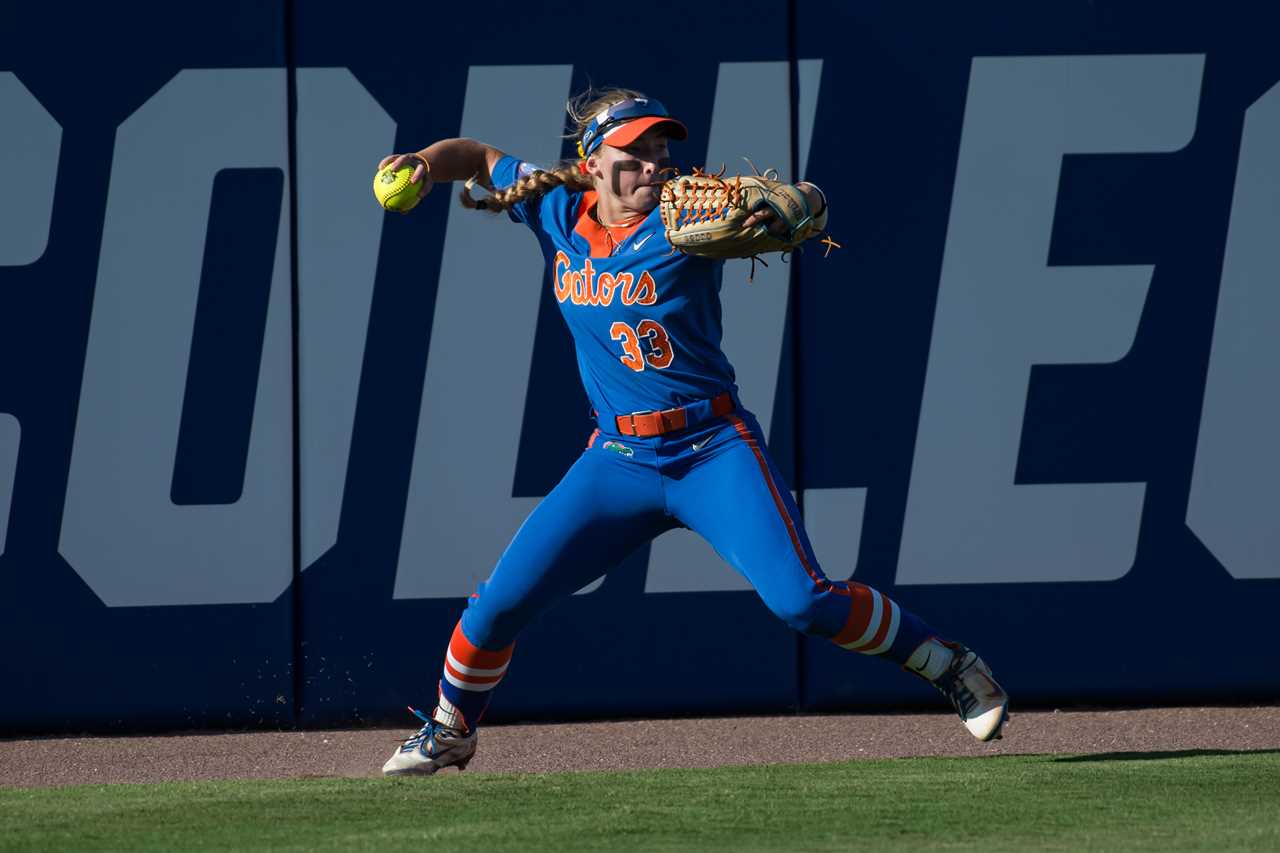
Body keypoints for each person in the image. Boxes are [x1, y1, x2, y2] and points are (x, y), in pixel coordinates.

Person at [378, 88, 1008, 776]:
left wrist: (802, 204)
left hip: (711, 447)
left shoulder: (686, 222)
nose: (655, 165)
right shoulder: (553, 207)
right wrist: (422, 160)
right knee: (497, 603)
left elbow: (803, 205)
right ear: (593, 162)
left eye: (661, 150)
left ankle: (947, 662)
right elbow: (473, 156)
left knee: (802, 601)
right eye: (637, 151)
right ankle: (451, 728)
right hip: (619, 457)